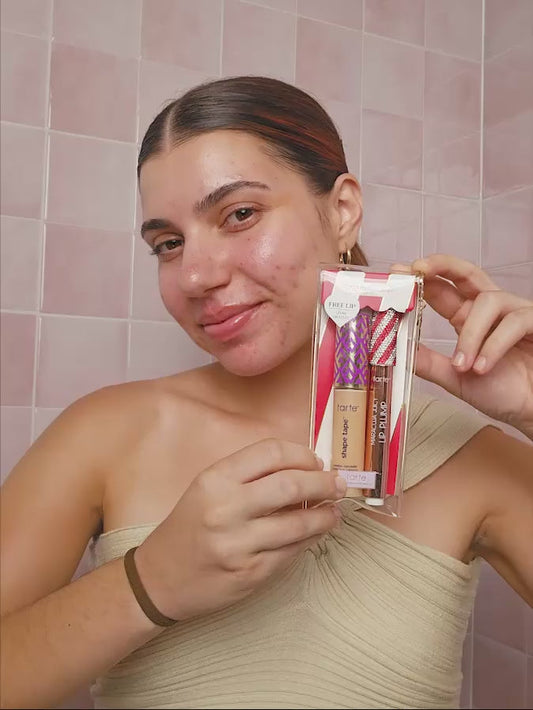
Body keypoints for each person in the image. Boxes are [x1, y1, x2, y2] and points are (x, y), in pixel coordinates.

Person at [1, 76, 531, 710]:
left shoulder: (469, 456)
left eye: (239, 215)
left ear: (342, 211)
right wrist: (151, 583)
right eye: (169, 244)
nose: (195, 275)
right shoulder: (102, 432)